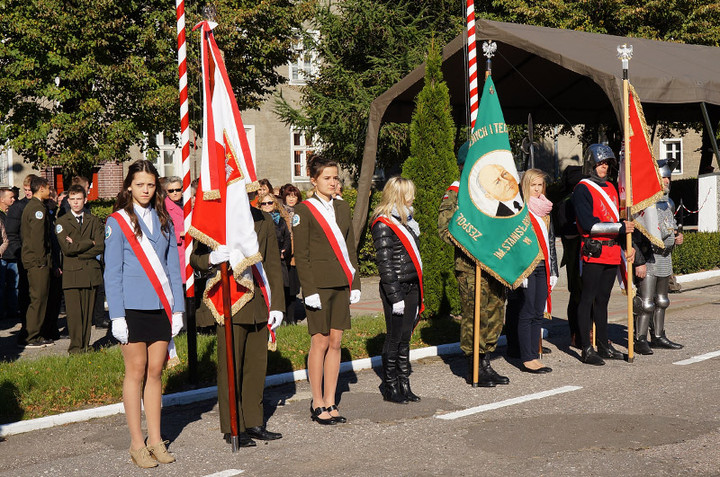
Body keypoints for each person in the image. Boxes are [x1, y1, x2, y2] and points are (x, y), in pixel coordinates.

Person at [104, 159, 184, 468]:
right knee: (136, 372)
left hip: (161, 306)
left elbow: (173, 268)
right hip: (132, 308)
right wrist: (117, 315)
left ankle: (156, 439)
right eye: (140, 184)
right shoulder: (117, 221)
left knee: (155, 372)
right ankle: (137, 443)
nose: (146, 190)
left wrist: (177, 308)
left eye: (151, 185)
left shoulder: (164, 218)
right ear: (128, 187)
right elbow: (112, 273)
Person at [190, 200, 285, 448]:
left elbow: (273, 264)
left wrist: (278, 305)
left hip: (259, 302)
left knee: (256, 365)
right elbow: (196, 258)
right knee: (230, 367)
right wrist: (212, 257)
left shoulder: (262, 219)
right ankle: (233, 425)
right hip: (229, 303)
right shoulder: (218, 220)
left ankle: (253, 421)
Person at [293, 156, 361, 425]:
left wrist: (354, 283)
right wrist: (308, 290)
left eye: (335, 178)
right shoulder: (304, 210)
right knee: (319, 341)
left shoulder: (343, 208)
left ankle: (331, 400)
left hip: (340, 284)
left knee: (336, 343)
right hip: (318, 286)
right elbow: (303, 254)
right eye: (327, 178)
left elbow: (350, 247)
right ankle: (317, 400)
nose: (333, 182)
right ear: (313, 180)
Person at [438, 142, 509, 387]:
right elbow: (445, 230)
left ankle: (486, 361)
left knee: (495, 311)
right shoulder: (457, 192)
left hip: (495, 264)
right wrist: (474, 243)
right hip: (471, 267)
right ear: (463, 166)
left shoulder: (491, 191)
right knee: (475, 315)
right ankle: (474, 366)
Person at [572, 144, 635, 366]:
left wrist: (628, 243)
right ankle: (586, 348)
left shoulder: (611, 187)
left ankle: (603, 344)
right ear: (591, 163)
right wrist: (619, 228)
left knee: (603, 300)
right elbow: (588, 224)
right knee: (587, 299)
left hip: (611, 251)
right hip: (594, 250)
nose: (604, 167)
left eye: (607, 163)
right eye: (600, 163)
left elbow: (619, 221)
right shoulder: (582, 188)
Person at [371, 177, 423, 403]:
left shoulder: (407, 220)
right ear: (399, 195)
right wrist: (395, 296)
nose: (413, 197)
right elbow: (385, 263)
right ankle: (390, 385)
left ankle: (405, 383)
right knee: (393, 338)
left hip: (411, 285)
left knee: (405, 337)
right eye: (409, 193)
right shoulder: (383, 222)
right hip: (396, 288)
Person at [506, 169, 558, 373]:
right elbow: (515, 243)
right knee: (527, 311)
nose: (537, 189)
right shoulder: (519, 209)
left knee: (538, 311)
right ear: (525, 186)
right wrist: (520, 270)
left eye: (540, 185)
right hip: (527, 267)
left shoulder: (545, 208)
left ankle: (534, 354)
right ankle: (526, 356)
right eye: (533, 185)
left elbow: (550, 241)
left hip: (544, 265)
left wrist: (553, 270)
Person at [633, 159, 684, 354]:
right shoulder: (644, 204)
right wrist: (639, 260)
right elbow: (638, 235)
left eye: (668, 177)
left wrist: (677, 237)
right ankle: (640, 339)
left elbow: (669, 227)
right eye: (663, 177)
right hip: (649, 257)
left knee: (662, 300)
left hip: (665, 257)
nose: (667, 181)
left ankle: (659, 335)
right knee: (645, 302)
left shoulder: (668, 202)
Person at [55, 184, 104, 354]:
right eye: (73, 199)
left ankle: (86, 345)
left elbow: (100, 246)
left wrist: (77, 246)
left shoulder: (95, 221)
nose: (76, 203)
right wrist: (89, 242)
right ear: (68, 201)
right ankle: (76, 348)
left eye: (79, 199)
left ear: (85, 200)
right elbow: (67, 250)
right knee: (75, 314)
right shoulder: (61, 222)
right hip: (72, 274)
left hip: (91, 272)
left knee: (88, 312)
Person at [551, 165, 584, 348]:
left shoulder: (585, 198)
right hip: (574, 256)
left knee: (591, 296)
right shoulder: (566, 202)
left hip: (588, 255)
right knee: (577, 296)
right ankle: (576, 333)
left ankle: (591, 331)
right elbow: (566, 230)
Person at [20, 176, 55, 348]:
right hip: (37, 261)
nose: (50, 191)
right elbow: (37, 238)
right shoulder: (37, 209)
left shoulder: (35, 207)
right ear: (41, 188)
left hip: (35, 260)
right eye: (48, 188)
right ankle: (31, 336)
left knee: (38, 298)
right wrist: (41, 261)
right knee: (38, 299)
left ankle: (35, 333)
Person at [6, 174, 37, 342]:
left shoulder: (40, 205)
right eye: (25, 190)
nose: (28, 193)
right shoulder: (19, 207)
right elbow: (12, 234)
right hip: (24, 257)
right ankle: (26, 328)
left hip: (38, 259)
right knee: (25, 293)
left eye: (30, 190)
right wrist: (19, 253)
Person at [280, 184, 302, 323]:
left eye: (294, 196)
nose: (291, 199)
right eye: (289, 195)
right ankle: (283, 317)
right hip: (283, 254)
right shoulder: (280, 212)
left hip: (297, 255)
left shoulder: (301, 211)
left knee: (293, 288)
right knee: (284, 287)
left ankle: (292, 318)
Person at [162, 176, 186, 284]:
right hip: (176, 251)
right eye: (171, 191)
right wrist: (179, 234)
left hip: (192, 250)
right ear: (167, 192)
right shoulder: (163, 208)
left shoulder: (189, 204)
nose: (175, 193)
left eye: (178, 190)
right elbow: (161, 232)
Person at [0, 187, 17, 320]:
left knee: (14, 285)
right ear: (2, 199)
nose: (13, 199)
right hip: (2, 256)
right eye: (10, 197)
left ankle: (12, 311)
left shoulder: (12, 213)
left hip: (13, 254)